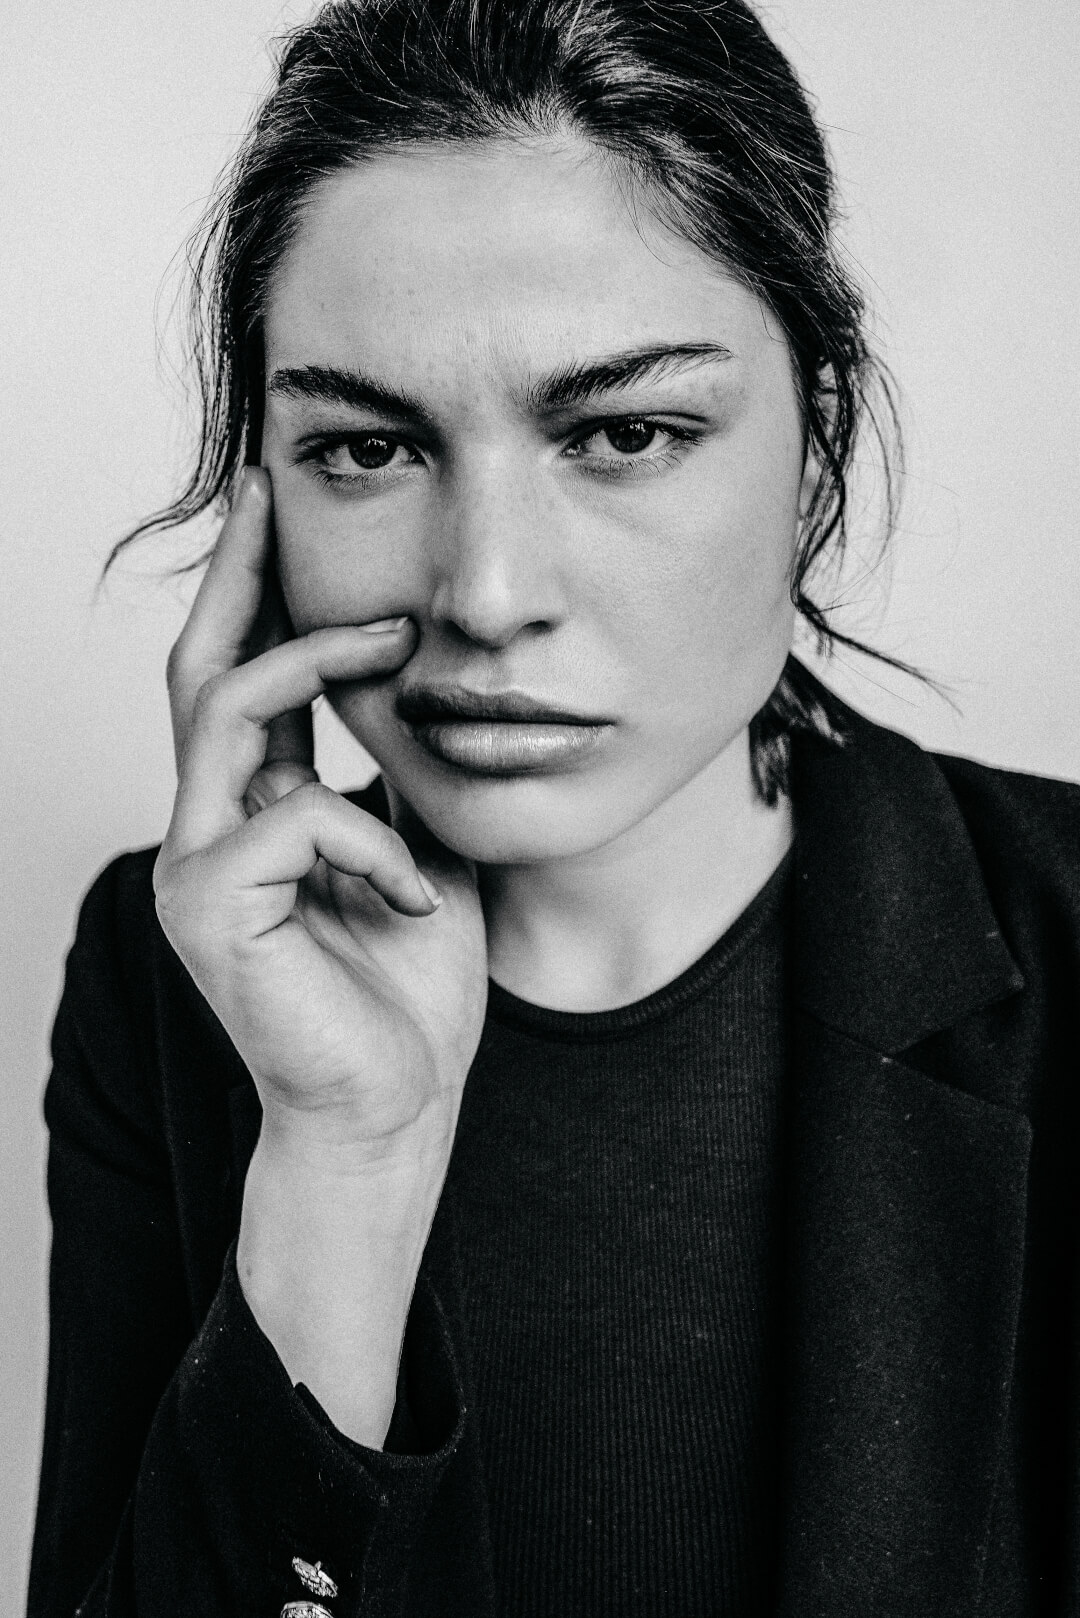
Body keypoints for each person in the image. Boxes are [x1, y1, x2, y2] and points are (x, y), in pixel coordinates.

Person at [27, 0, 1080, 1614]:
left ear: (813, 450)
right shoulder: (161, 974)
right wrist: (341, 1167)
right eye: (368, 448)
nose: (490, 593)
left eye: (624, 432)